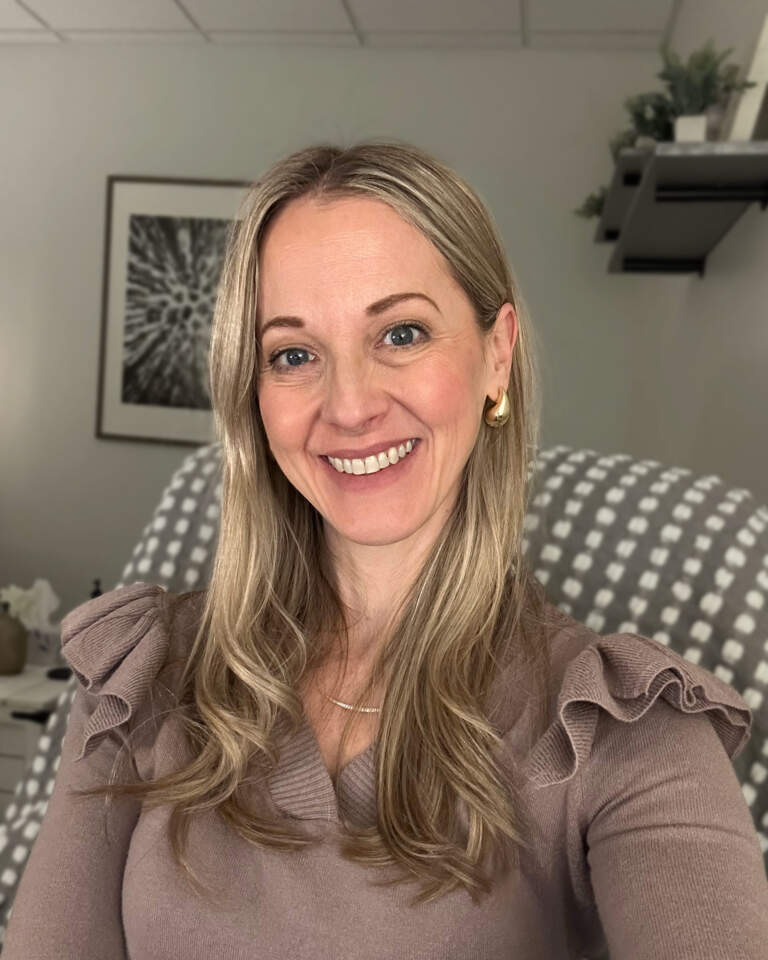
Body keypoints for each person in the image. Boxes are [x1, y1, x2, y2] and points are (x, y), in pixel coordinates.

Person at [3, 141, 767, 960]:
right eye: (293, 354)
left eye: (401, 333)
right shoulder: (139, 675)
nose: (350, 406)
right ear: (253, 394)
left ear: (497, 355)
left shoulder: (622, 728)